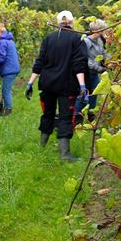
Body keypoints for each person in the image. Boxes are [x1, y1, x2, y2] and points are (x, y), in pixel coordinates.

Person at [24, 10, 88, 162]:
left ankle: (42, 147)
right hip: (66, 86)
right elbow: (79, 65)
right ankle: (65, 155)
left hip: (47, 84)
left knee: (48, 114)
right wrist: (83, 85)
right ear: (72, 22)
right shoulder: (77, 38)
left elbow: (39, 62)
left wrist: (30, 82)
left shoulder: (48, 38)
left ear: (57, 22)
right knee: (65, 117)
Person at [75, 19, 109, 123]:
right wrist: (100, 69)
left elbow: (103, 52)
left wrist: (111, 61)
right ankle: (77, 116)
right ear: (98, 30)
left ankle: (91, 114)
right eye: (103, 28)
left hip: (94, 73)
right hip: (86, 73)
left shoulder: (99, 40)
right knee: (83, 94)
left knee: (94, 93)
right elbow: (87, 61)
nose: (104, 30)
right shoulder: (86, 42)